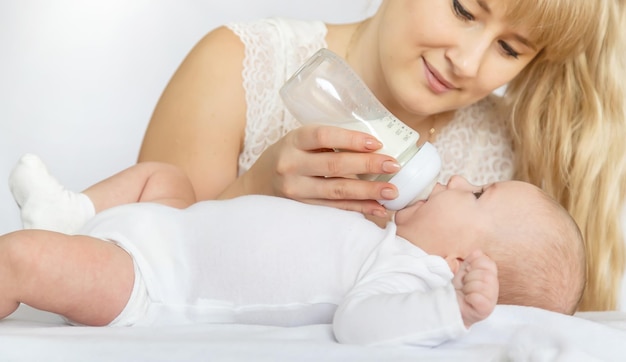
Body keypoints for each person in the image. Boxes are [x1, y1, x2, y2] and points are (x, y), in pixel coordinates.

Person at [128, 0, 626, 311]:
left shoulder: (503, 154)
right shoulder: (238, 65)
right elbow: (136, 263)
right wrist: (257, 187)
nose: (467, 62)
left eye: (510, 49)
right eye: (462, 9)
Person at [3, 154, 585, 347]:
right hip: (171, 223)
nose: (458, 182)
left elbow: (360, 325)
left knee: (21, 259)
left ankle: (62, 236)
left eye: (478, 193)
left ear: (460, 265)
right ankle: (73, 215)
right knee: (164, 173)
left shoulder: (409, 275)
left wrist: (450, 309)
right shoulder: (384, 235)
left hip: (146, 280)